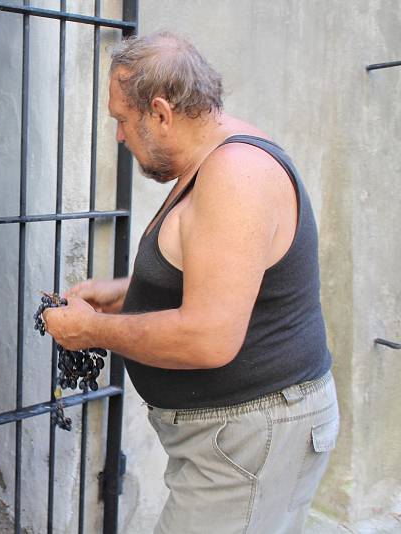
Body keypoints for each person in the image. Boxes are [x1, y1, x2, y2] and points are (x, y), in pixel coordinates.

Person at [42, 31, 339, 533]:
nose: (119, 135)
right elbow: (214, 272)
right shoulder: (212, 158)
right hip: (236, 436)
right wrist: (126, 293)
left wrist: (90, 332)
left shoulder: (236, 175)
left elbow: (209, 337)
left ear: (159, 112)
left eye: (121, 120)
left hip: (248, 438)